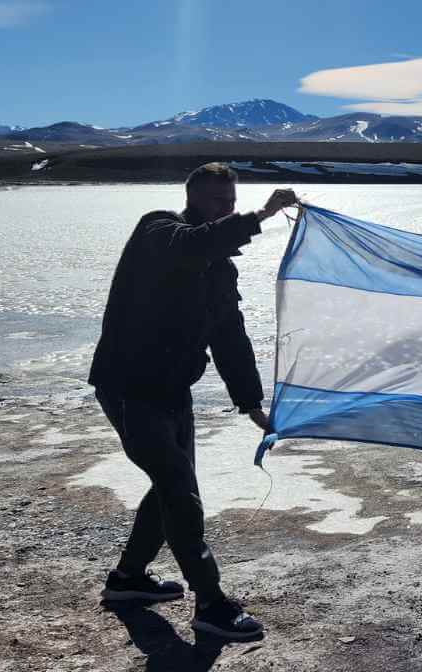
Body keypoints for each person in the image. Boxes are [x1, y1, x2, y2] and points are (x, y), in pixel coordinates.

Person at [88, 162, 298, 640]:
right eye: (217, 201)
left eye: (230, 200)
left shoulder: (219, 271)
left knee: (172, 487)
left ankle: (128, 580)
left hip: (171, 391)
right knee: (180, 491)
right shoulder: (159, 231)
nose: (225, 208)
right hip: (127, 388)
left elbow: (229, 338)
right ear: (193, 199)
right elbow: (193, 246)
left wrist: (251, 404)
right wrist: (261, 214)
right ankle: (211, 603)